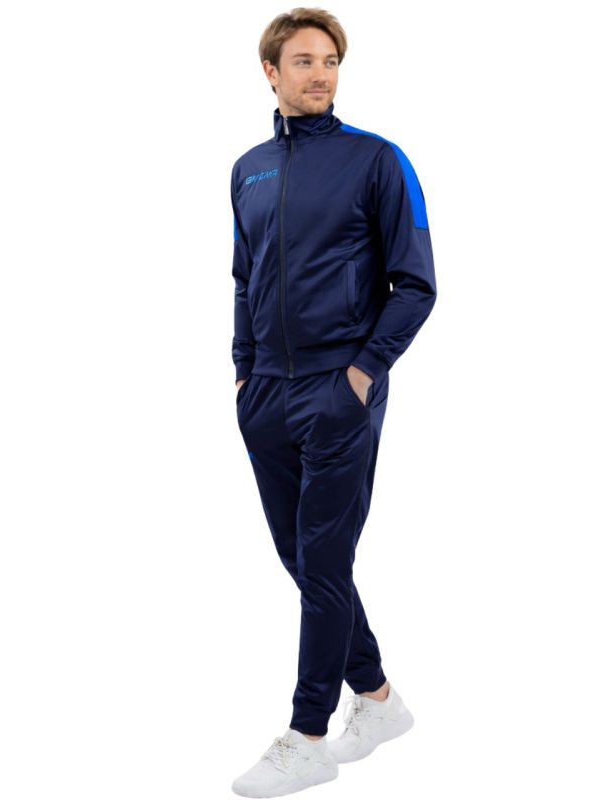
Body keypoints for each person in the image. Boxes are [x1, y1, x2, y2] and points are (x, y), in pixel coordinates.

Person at [229, 8, 437, 797]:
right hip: (265, 394)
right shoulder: (248, 169)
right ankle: (378, 700)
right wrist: (242, 371)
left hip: (338, 388)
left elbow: (416, 283)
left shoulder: (376, 159)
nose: (321, 74)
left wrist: (362, 373)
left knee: (322, 561)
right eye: (304, 61)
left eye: (331, 61)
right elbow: (245, 277)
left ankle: (307, 735)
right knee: (304, 560)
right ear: (271, 72)